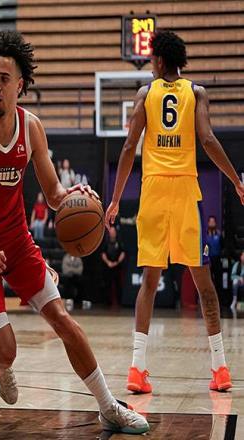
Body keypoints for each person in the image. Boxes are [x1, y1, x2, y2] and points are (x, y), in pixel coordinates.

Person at [0, 30, 148, 434]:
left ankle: (109, 407)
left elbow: (55, 194)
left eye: (4, 79)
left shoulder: (31, 128)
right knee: (8, 350)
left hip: (17, 242)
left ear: (20, 85)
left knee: (63, 319)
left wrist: (75, 195)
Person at [105, 31, 244, 395]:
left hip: (153, 190)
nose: (151, 65)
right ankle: (220, 368)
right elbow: (208, 139)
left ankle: (137, 369)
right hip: (184, 190)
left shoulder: (145, 93)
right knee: (204, 282)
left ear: (160, 60)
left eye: (152, 60)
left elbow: (129, 147)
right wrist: (236, 181)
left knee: (149, 282)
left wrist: (116, 199)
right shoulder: (196, 93)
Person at [101, 226, 126, 307]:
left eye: (113, 232)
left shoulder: (119, 242)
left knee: (118, 285)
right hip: (108, 266)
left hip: (117, 267)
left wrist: (117, 262)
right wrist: (108, 262)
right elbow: (103, 254)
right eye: (111, 232)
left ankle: (119, 302)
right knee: (107, 285)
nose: (112, 233)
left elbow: (123, 253)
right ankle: (107, 303)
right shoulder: (106, 242)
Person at [206, 216, 223, 299]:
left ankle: (219, 298)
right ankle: (209, 298)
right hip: (209, 260)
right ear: (208, 223)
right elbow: (205, 248)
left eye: (213, 222)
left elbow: (222, 247)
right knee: (208, 280)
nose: (212, 223)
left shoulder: (219, 234)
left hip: (217, 259)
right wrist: (206, 259)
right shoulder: (205, 235)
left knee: (218, 279)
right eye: (210, 222)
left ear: (215, 223)